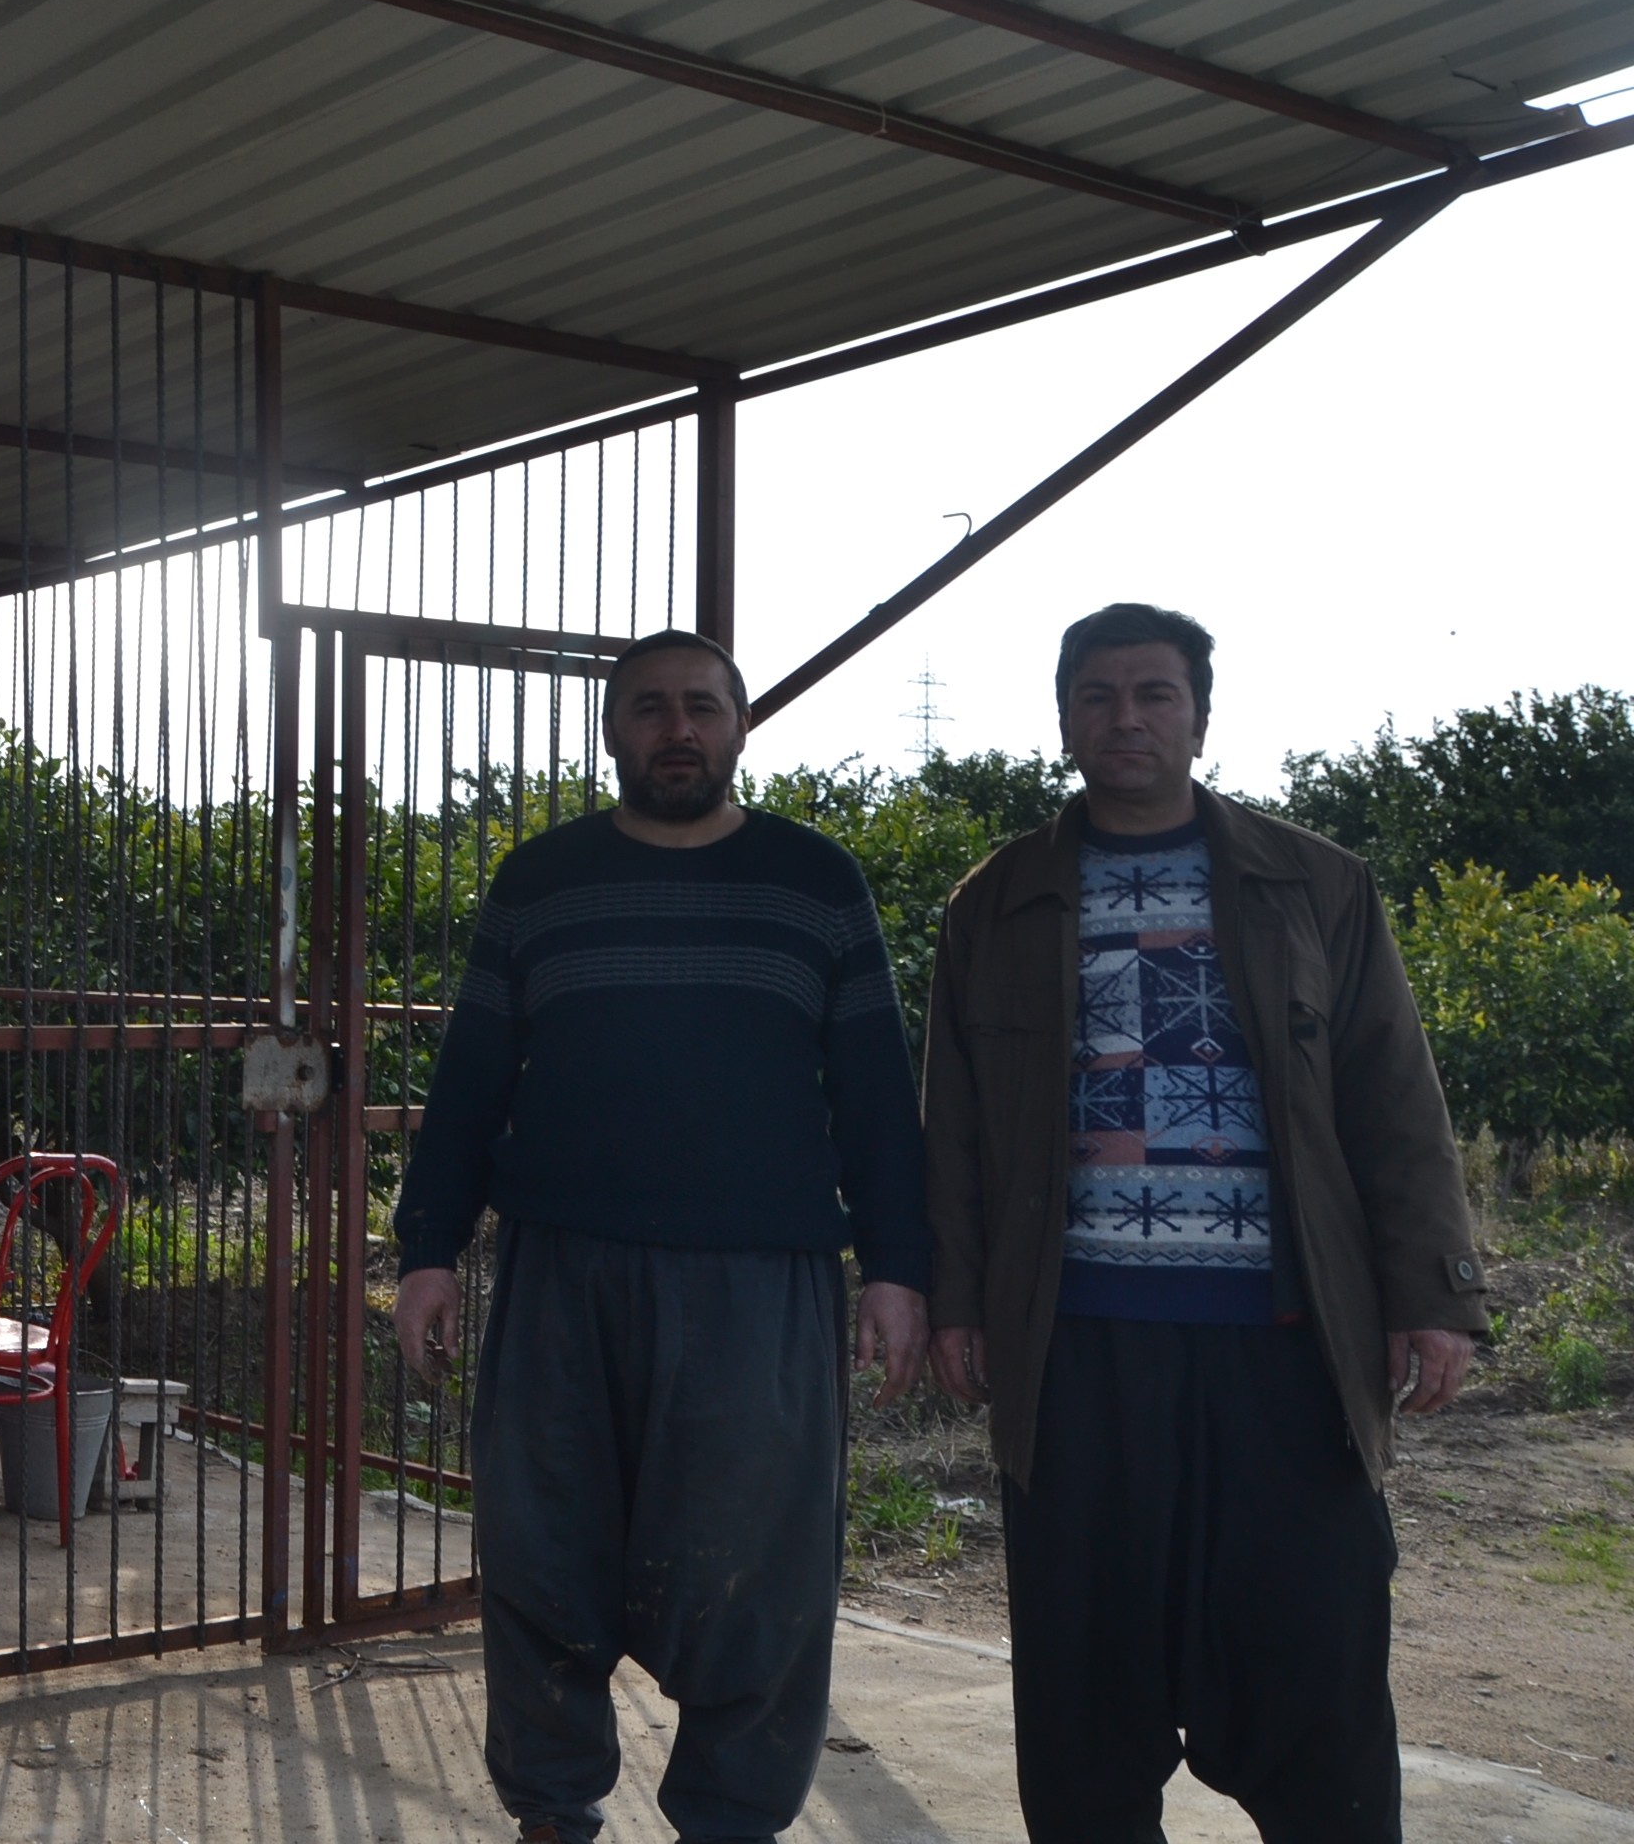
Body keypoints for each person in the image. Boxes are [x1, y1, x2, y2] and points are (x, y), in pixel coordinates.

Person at [923, 603, 1486, 1843]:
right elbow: (952, 1123)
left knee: (1317, 1663)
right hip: (1076, 1346)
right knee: (1085, 1681)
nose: (1124, 719)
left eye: (1154, 694)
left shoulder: (1316, 884)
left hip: (1284, 1343)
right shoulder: (997, 901)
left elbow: (1393, 1098)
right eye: (1097, 696)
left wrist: (1433, 1297)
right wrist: (957, 1298)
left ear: (1201, 716)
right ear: (1064, 718)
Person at [391, 629, 930, 1844]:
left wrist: (898, 1269)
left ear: (739, 727)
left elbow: (876, 1095)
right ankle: (551, 1812)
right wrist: (427, 1251)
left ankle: (732, 1821)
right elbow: (470, 1083)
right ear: (612, 732)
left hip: (761, 1280)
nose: (676, 728)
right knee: (541, 1550)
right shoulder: (542, 881)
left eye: (701, 706)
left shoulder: (815, 881)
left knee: (759, 1573)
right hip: (560, 1271)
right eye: (649, 707)